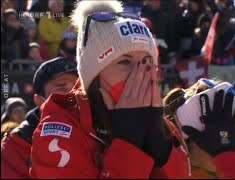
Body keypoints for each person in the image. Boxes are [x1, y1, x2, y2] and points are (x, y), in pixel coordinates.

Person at [29, 1, 189, 178]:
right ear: (94, 74)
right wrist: (129, 144)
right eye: (124, 61)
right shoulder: (60, 129)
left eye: (147, 62)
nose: (139, 73)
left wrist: (159, 142)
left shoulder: (161, 123)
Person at [1, 57, 78, 179]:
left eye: (79, 87)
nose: (74, 95)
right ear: (39, 100)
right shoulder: (14, 146)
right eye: (62, 88)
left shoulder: (100, 131)